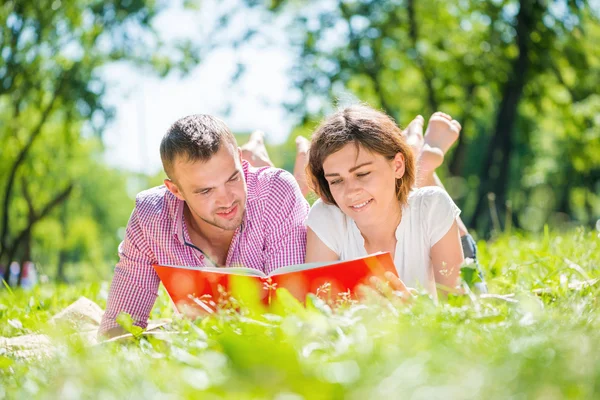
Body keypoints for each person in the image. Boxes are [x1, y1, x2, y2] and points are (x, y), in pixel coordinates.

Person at [98, 114, 309, 338]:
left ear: (240, 160)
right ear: (175, 190)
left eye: (232, 178)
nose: (226, 200)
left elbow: (291, 313)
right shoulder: (151, 217)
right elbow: (118, 326)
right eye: (206, 191)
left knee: (290, 188)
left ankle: (256, 156)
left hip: (270, 197)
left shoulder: (277, 191)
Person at [304, 105, 467, 300]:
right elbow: (316, 310)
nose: (351, 192)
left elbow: (458, 307)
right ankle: (421, 159)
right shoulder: (326, 216)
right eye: (336, 180)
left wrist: (416, 312)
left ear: (397, 165)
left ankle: (424, 163)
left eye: (363, 173)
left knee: (475, 276)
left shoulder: (433, 206)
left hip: (436, 221)